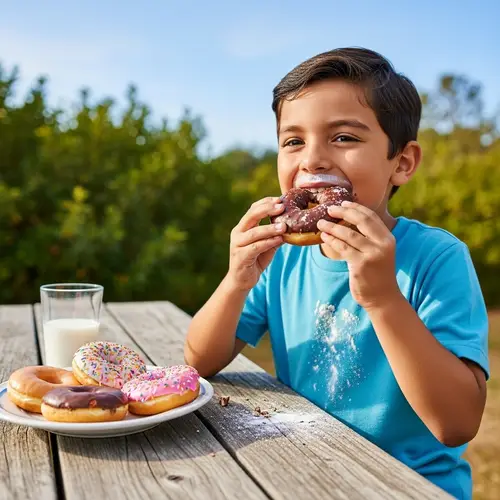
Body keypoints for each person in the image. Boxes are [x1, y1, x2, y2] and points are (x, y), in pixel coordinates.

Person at [184, 47, 489, 499]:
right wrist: (236, 282)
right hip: (309, 476)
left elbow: (457, 424)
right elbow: (200, 361)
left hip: (409, 485)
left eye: (343, 138)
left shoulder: (437, 258)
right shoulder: (283, 258)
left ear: (401, 163)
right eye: (293, 141)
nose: (313, 160)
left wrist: (383, 298)